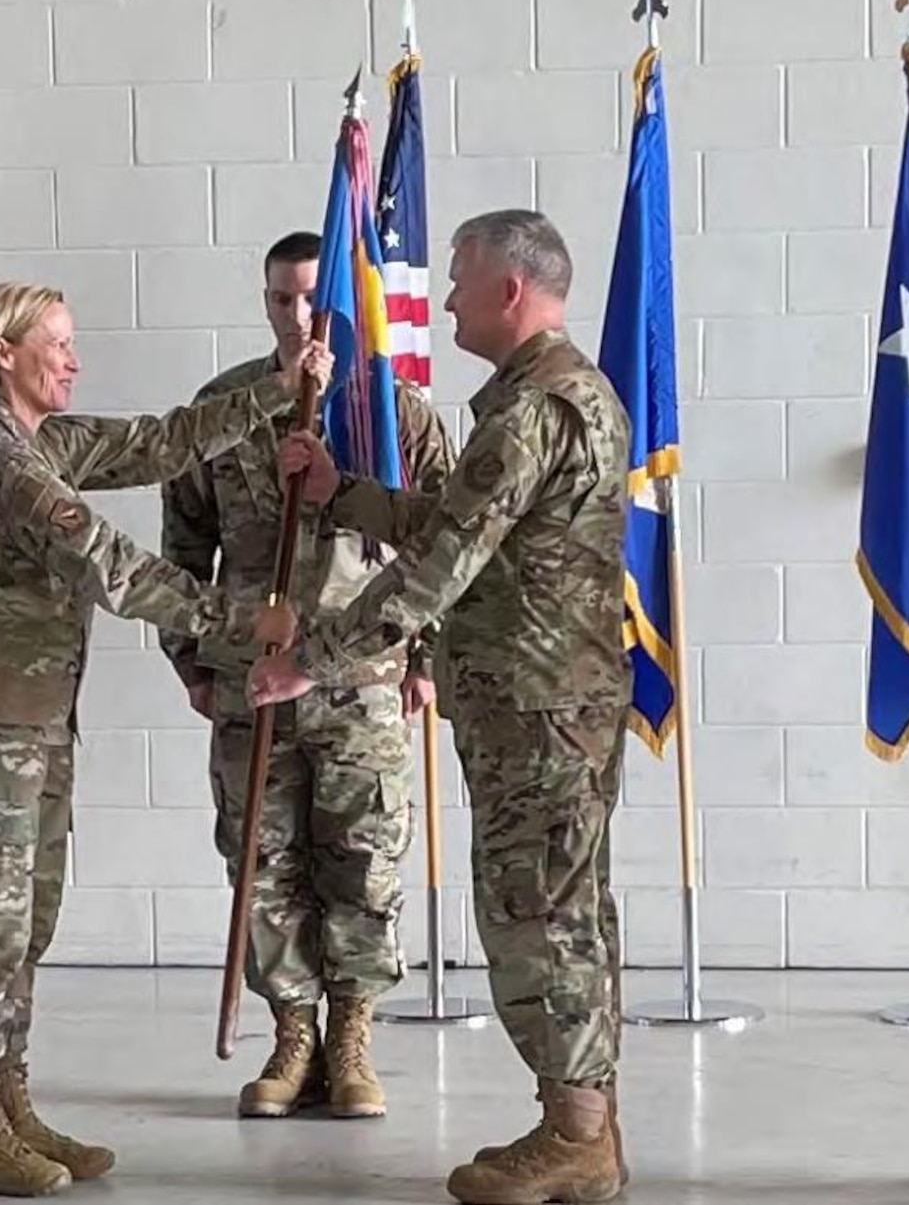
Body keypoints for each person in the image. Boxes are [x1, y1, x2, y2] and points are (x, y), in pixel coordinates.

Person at [249, 209, 633, 1205]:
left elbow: (438, 569)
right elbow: (462, 523)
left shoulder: (530, 409)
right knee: (564, 909)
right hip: (544, 704)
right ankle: (582, 1119)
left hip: (537, 710)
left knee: (537, 914)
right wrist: (348, 494)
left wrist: (314, 662)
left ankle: (576, 1133)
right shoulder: (548, 392)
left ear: (511, 290)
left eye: (459, 280)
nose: (446, 299)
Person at [0, 280, 328, 1198]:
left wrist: (277, 386)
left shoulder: (48, 443)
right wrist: (242, 621)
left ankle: (12, 1105)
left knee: (30, 922)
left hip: (35, 724)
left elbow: (160, 441)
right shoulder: (3, 465)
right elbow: (112, 565)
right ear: (3, 354)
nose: (73, 358)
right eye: (56, 343)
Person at [159, 229, 455, 1120]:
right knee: (262, 857)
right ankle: (293, 1034)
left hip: (363, 674)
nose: (299, 317)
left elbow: (445, 541)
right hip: (253, 676)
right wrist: (191, 658)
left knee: (362, 858)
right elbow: (184, 546)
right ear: (264, 303)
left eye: (315, 301)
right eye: (283, 299)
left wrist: (428, 658)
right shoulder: (223, 409)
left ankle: (354, 1034)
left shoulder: (391, 415)